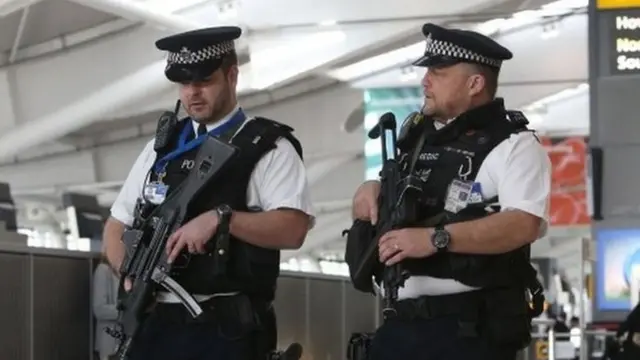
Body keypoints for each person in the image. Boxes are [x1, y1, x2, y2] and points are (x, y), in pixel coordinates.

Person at [101, 26, 314, 360]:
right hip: (154, 319)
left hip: (224, 327)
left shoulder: (268, 146)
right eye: (185, 84)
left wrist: (221, 219)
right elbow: (116, 224)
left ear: (232, 75)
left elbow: (293, 228)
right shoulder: (161, 148)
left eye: (204, 81)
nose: (192, 93)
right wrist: (128, 271)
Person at [349, 23, 551, 360]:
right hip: (399, 324)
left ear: (475, 83)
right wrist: (372, 189)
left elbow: (523, 223)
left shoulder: (514, 145)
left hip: (468, 329)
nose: (425, 81)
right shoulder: (416, 140)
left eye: (438, 72)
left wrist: (435, 239)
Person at [92, 256, 120, 360]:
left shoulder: (122, 270)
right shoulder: (103, 271)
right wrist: (124, 312)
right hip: (109, 341)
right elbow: (99, 310)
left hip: (122, 340)